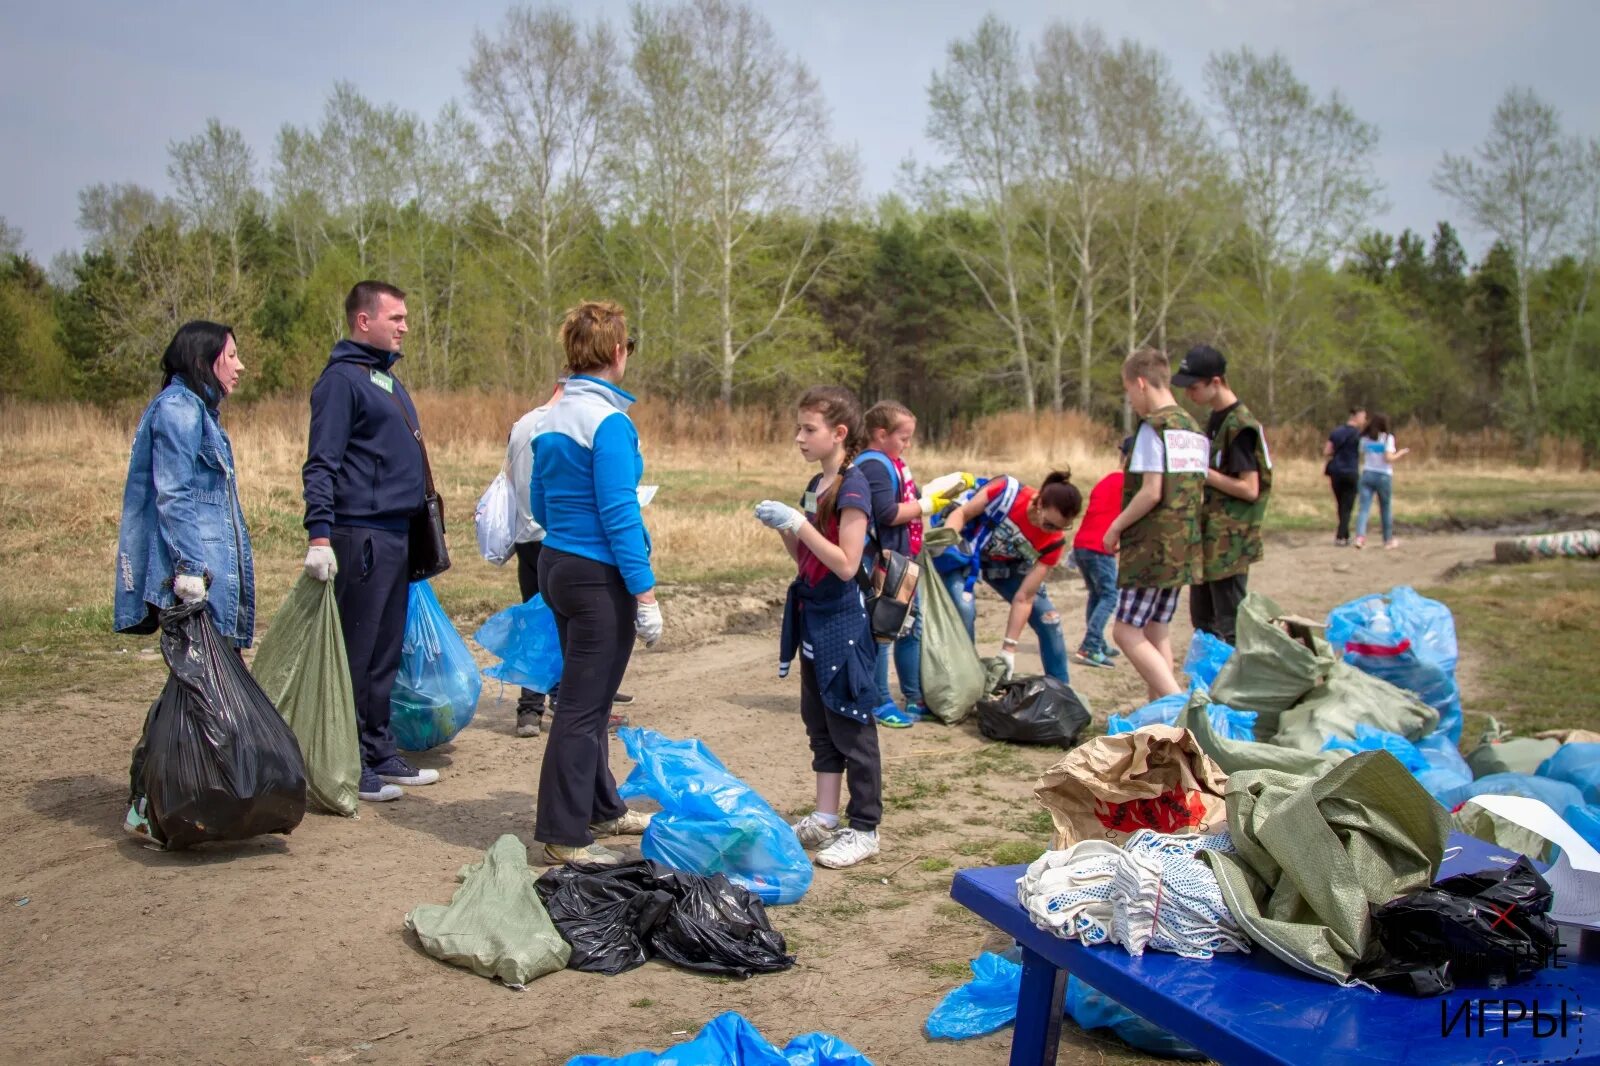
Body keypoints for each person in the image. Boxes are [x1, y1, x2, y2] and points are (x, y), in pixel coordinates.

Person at [528, 300, 660, 866]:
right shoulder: (609, 422)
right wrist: (646, 592)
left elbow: (536, 499)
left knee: (594, 699)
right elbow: (619, 512)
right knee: (582, 709)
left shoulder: (549, 416)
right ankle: (562, 832)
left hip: (555, 562)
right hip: (595, 576)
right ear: (615, 351)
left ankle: (602, 806)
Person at [301, 280, 440, 804]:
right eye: (396, 317)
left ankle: (379, 750)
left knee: (385, 653)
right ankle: (349, 760)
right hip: (359, 535)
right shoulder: (341, 382)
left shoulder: (383, 379)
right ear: (364, 321)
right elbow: (322, 462)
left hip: (395, 536)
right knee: (356, 655)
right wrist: (319, 533)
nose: (405, 326)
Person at [116, 321, 254, 845]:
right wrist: (190, 572)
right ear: (204, 360)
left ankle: (195, 794)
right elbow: (172, 495)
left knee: (198, 685)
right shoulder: (178, 411)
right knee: (192, 687)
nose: (239, 366)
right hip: (197, 577)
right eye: (232, 356)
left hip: (211, 573)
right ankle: (152, 802)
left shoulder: (200, 413)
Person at [755, 386, 884, 870]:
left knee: (852, 723)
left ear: (839, 433)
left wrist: (799, 524)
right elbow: (807, 556)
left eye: (809, 429)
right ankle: (826, 816)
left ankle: (865, 827)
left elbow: (848, 565)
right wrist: (788, 530)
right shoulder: (816, 483)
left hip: (844, 620)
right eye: (799, 428)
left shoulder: (854, 486)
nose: (799, 437)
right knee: (821, 724)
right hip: (812, 612)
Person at [503, 381, 635, 739]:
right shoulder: (579, 423)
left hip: (530, 537)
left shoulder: (523, 424)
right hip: (565, 539)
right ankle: (569, 699)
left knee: (537, 621)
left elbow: (513, 478)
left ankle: (529, 710)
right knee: (569, 628)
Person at [1103, 348, 1206, 702]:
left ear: (1142, 383)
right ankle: (1160, 716)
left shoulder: (1154, 428)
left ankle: (1180, 710)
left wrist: (1115, 526)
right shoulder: (1193, 428)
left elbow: (1150, 492)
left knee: (1125, 631)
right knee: (1157, 628)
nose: (1131, 400)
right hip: (1184, 546)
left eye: (1129, 391)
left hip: (1151, 547)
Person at [933, 471, 1082, 684]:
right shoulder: (1006, 492)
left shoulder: (1053, 542)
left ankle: (1061, 691)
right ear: (1038, 503)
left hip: (1006, 566)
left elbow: (1025, 597)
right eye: (1050, 524)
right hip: (967, 549)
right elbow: (961, 514)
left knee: (1049, 619)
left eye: (1062, 527)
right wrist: (946, 546)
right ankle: (965, 682)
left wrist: (1008, 648)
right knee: (964, 610)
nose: (1054, 532)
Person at [1174, 345, 1273, 647]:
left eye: (1194, 387)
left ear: (1216, 382)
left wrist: (1202, 471)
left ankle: (1235, 689)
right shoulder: (1216, 420)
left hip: (1230, 543)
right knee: (1203, 621)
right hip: (1211, 538)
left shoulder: (1240, 425)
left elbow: (1249, 488)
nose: (1189, 394)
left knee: (1230, 624)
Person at [857, 400, 926, 729]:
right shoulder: (874, 465)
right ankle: (879, 700)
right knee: (883, 631)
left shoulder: (892, 462)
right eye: (904, 437)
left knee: (911, 627)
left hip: (903, 559)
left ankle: (914, 695)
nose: (908, 445)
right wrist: (927, 504)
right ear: (881, 434)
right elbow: (888, 513)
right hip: (885, 563)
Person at [1069, 445, 1127, 670]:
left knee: (1097, 593)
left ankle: (1099, 642)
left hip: (1082, 544)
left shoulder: (1107, 480)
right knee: (1110, 595)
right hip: (1099, 546)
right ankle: (1090, 646)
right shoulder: (1129, 484)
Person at [1355, 413, 1409, 550]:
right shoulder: (1387, 438)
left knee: (1364, 508)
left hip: (1367, 473)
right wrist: (1401, 453)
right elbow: (1388, 458)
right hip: (1383, 475)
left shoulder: (1365, 438)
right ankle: (1388, 540)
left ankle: (1360, 538)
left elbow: (1362, 452)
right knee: (1385, 508)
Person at [1324, 407, 1367, 546]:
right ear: (1356, 416)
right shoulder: (1359, 435)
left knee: (1341, 504)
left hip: (1336, 472)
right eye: (1363, 417)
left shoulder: (1336, 432)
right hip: (1350, 471)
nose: (1364, 420)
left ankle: (1345, 534)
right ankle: (1340, 536)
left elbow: (1327, 451)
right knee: (1347, 506)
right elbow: (1364, 451)